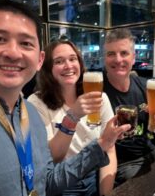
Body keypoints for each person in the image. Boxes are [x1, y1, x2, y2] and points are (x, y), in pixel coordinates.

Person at [0, 0, 130, 196]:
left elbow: (46, 182)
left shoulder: (30, 115)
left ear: (38, 60)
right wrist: (73, 116)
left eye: (26, 43)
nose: (13, 52)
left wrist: (103, 143)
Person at [27, 40, 116, 196]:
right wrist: (73, 116)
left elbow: (109, 149)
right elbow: (52, 158)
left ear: (80, 64)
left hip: (95, 176)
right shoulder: (36, 102)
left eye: (72, 59)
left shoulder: (100, 97)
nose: (68, 66)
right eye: (59, 61)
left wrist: (106, 193)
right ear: (48, 69)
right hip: (61, 182)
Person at [102, 28, 155, 186]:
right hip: (122, 164)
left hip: (151, 151)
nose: (118, 59)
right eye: (111, 54)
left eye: (124, 53)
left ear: (133, 58)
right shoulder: (97, 91)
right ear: (104, 58)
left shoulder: (147, 88)